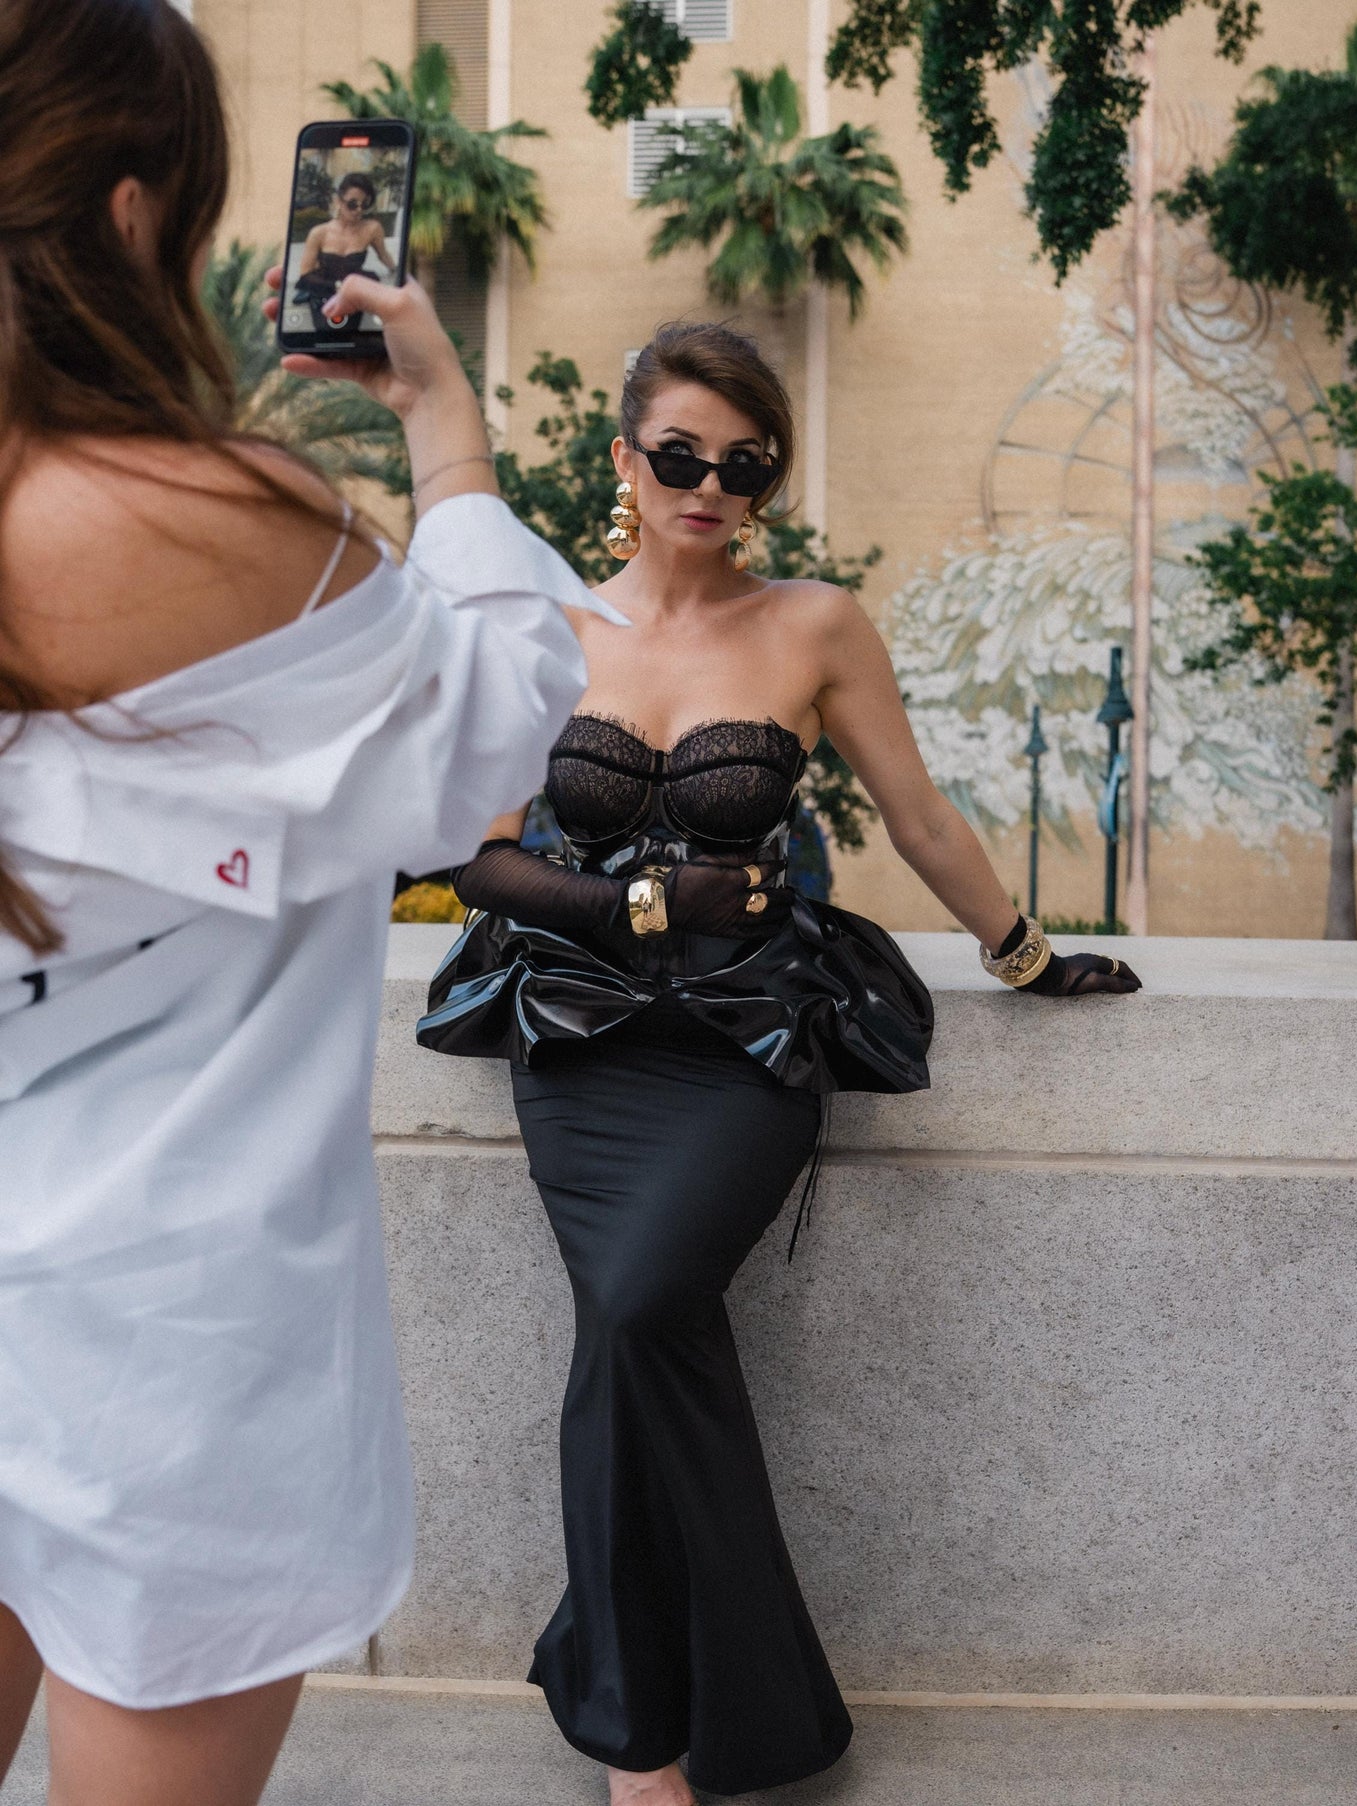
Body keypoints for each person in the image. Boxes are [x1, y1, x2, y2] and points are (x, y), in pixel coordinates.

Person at [0, 2, 621, 1802]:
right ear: (135, 221)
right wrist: (444, 428)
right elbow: (492, 741)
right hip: (160, 1343)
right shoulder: (218, 521)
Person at [425, 321, 1142, 1805]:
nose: (712, 484)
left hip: (747, 1038)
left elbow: (926, 820)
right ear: (625, 459)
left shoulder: (815, 624)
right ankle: (658, 1740)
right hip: (580, 1037)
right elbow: (474, 862)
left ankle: (624, 1689)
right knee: (632, 1322)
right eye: (681, 455)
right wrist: (634, 898)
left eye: (745, 463)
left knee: (641, 1302)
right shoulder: (549, 626)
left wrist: (1026, 954)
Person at [292, 171, 397, 333]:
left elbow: (383, 255)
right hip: (324, 291)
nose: (359, 210)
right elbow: (305, 274)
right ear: (338, 202)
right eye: (352, 204)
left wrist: (398, 272)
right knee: (325, 332)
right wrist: (337, 286)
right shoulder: (319, 232)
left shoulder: (372, 228)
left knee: (351, 335)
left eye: (365, 204)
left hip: (353, 294)